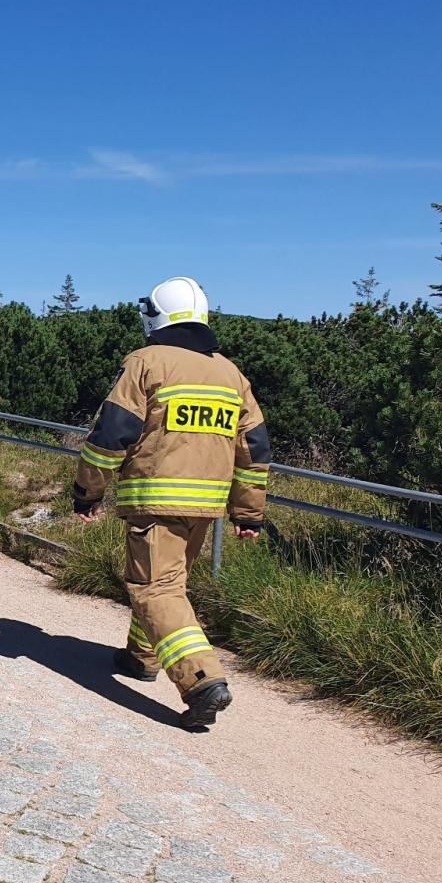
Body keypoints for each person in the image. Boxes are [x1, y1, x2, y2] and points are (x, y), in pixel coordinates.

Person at [73, 275, 270, 729]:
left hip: (155, 499)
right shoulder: (231, 374)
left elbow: (111, 436)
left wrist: (88, 492)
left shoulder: (146, 362)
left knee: (155, 589)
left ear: (155, 316)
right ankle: (141, 658)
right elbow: (254, 450)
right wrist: (248, 512)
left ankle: (202, 679)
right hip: (206, 507)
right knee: (168, 585)